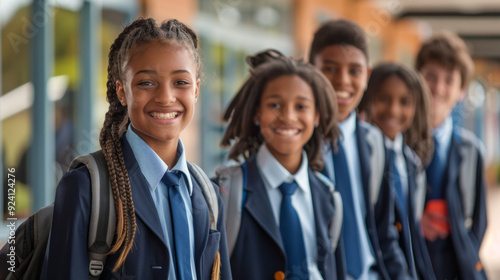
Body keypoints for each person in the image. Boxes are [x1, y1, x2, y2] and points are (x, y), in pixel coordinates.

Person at [40, 18, 231, 280]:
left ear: (196, 89)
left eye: (181, 83)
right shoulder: (84, 189)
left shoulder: (208, 196)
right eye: (146, 83)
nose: (165, 97)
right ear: (122, 92)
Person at [215, 49, 345, 279]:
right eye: (275, 105)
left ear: (316, 116)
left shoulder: (329, 197)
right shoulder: (223, 193)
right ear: (257, 113)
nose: (287, 116)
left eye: (301, 106)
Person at [309, 19, 412, 279]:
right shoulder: (299, 144)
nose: (343, 81)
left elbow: (384, 230)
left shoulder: (375, 143)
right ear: (311, 70)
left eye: (354, 71)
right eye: (330, 69)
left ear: (366, 76)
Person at [416, 31, 488, 279]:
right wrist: (414, 223)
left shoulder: (472, 150)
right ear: (418, 79)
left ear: (461, 91)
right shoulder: (396, 145)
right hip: (410, 267)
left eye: (449, 80)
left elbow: (479, 220)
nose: (438, 87)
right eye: (431, 77)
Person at [359, 62, 436, 279]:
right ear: (368, 98)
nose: (393, 110)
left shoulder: (411, 163)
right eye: (384, 99)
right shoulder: (361, 155)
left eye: (404, 102)